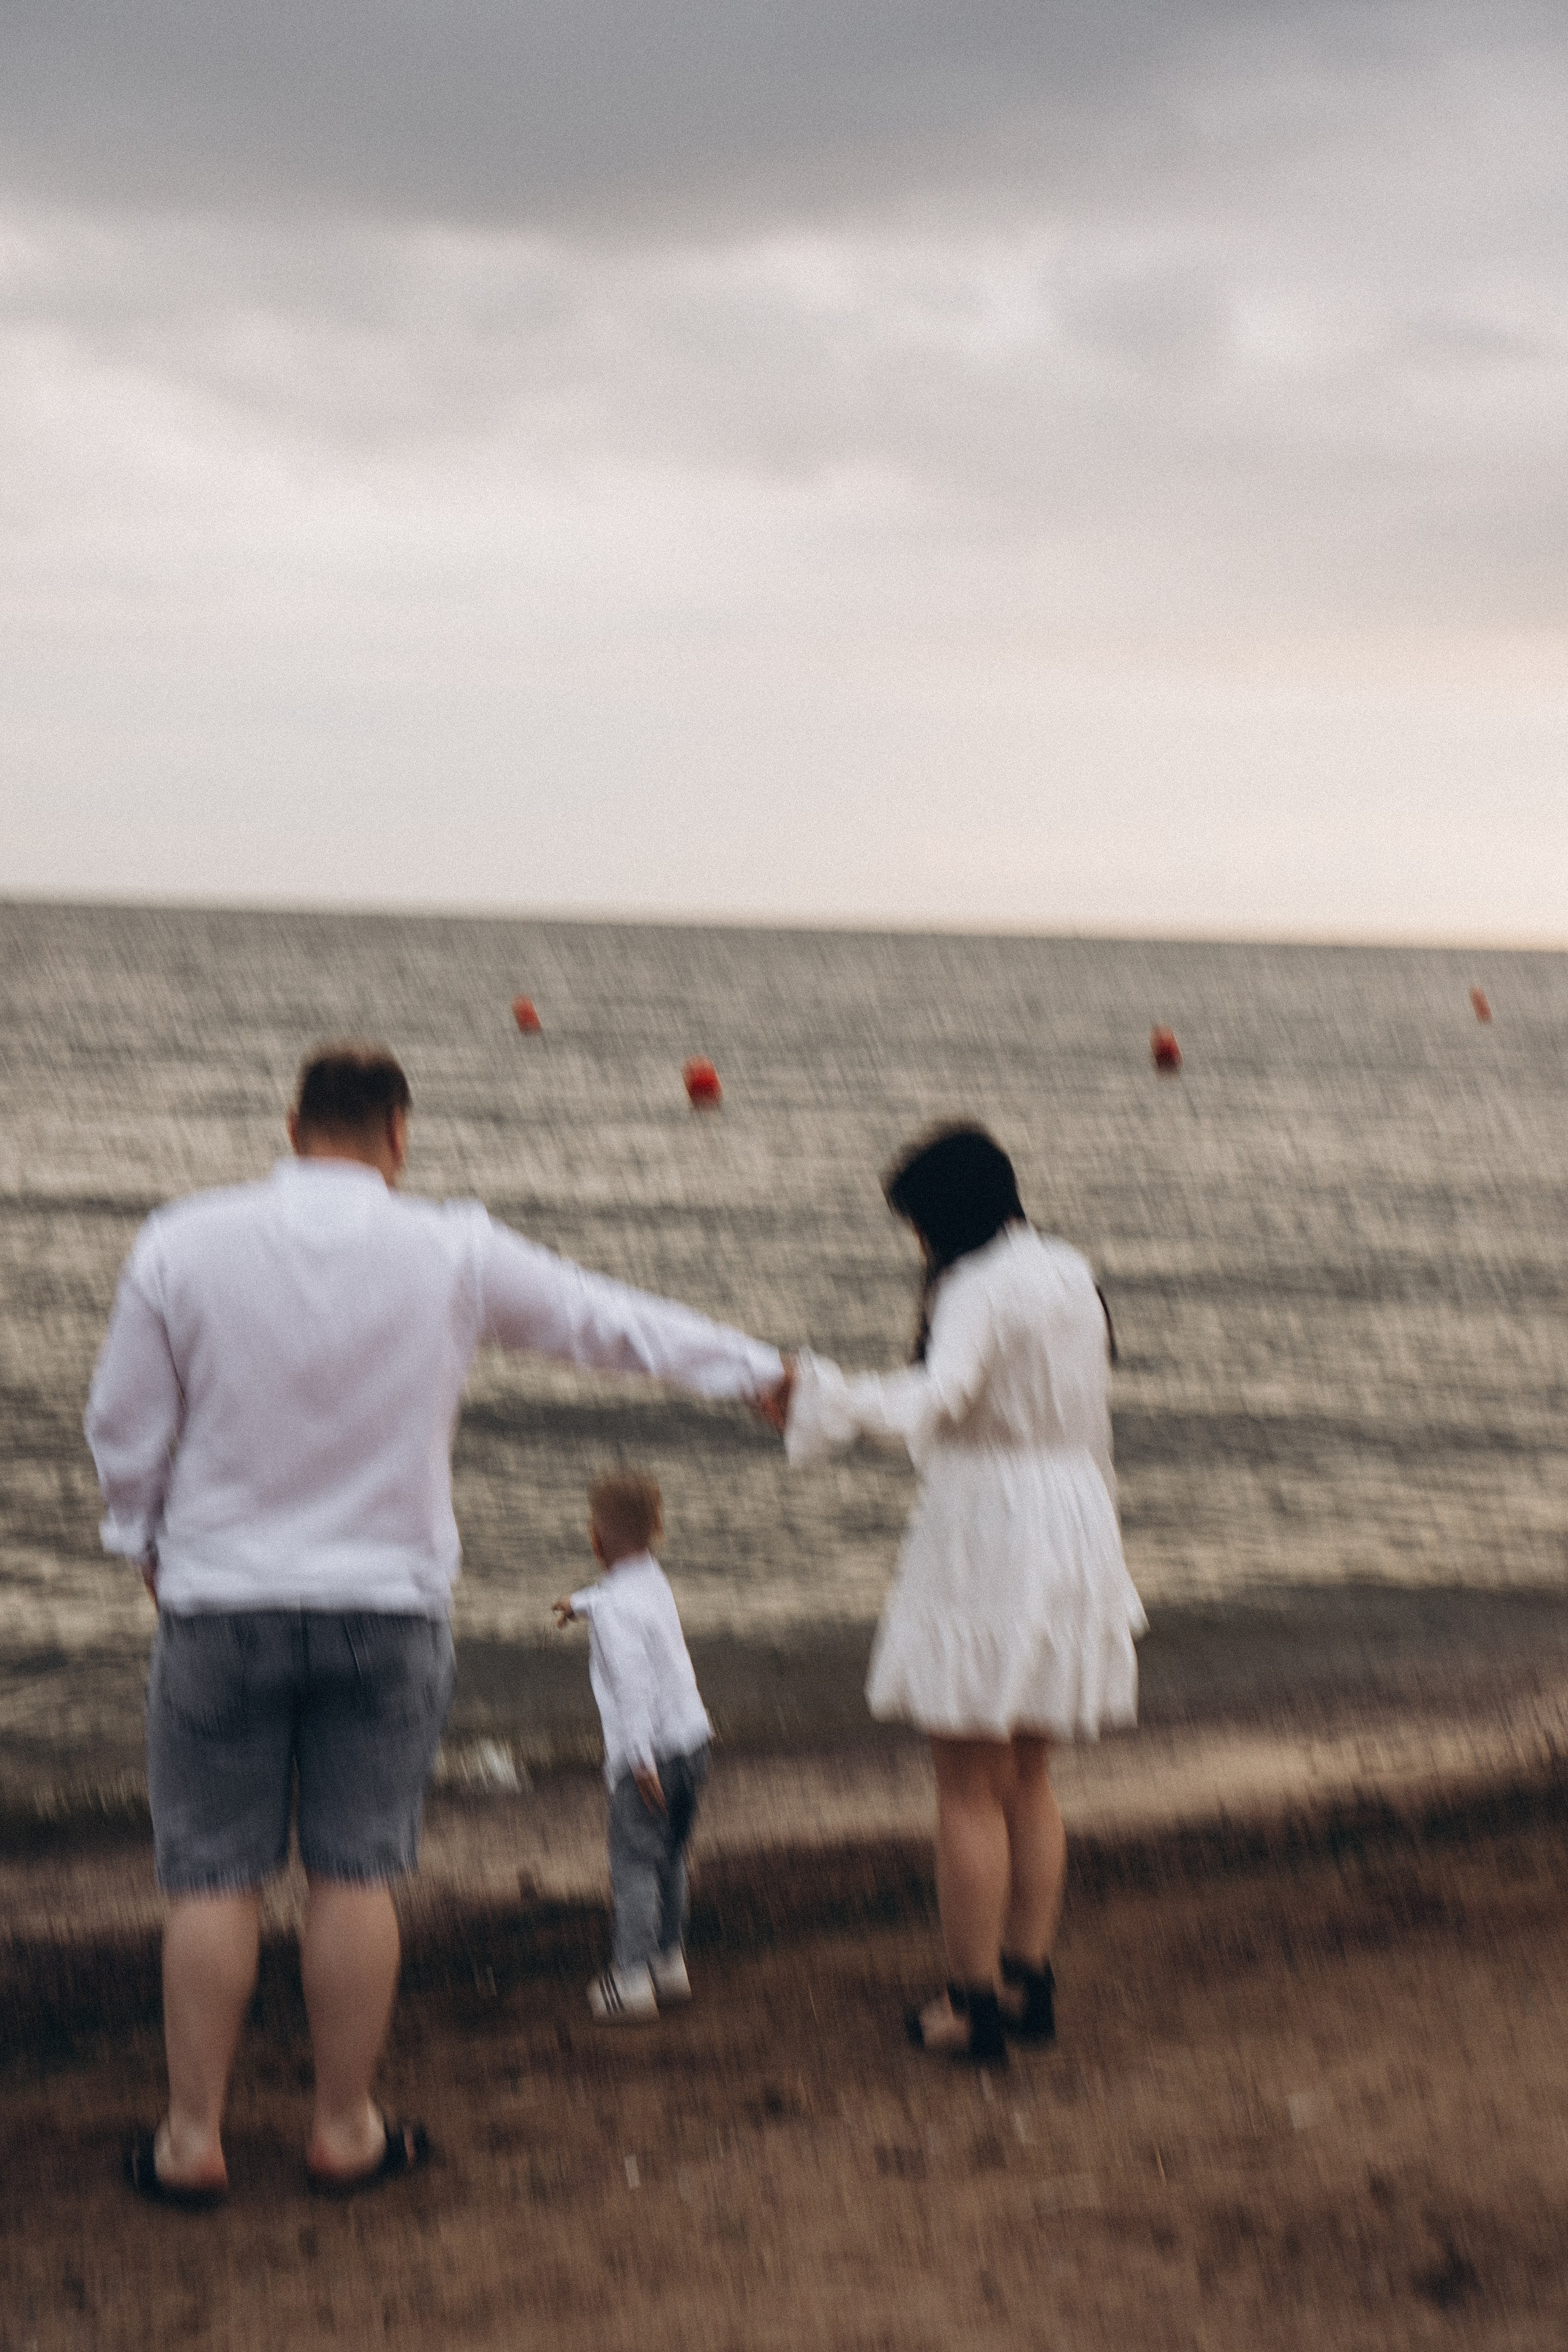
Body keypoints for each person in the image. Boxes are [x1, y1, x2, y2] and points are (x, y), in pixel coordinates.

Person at [85, 1042, 788, 2204]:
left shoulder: (182, 1240)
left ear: (293, 1124)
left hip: (221, 1604)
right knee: (355, 1875)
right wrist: (757, 1370)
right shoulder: (451, 1249)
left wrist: (142, 1543)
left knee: (212, 1879)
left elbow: (124, 1425)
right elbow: (607, 1325)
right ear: (397, 1136)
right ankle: (345, 2129)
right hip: (388, 1609)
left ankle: (192, 2139)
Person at [783, 1123, 1145, 2066]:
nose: (915, 1246)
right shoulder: (1069, 1270)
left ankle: (968, 2001)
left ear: (942, 1218)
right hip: (1075, 1516)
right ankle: (1027, 1982)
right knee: (1029, 1775)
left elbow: (934, 1398)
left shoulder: (975, 1289)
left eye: (915, 1225)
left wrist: (824, 1398)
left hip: (995, 1528)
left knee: (966, 1785)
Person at [552, 1470, 711, 2024]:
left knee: (634, 1865)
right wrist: (582, 1602)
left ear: (596, 1539)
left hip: (654, 1754)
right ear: (656, 1532)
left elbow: (632, 1686)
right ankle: (668, 1963)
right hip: (693, 1743)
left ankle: (632, 1980)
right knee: (669, 1855)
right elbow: (622, 1596)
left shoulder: (618, 1608)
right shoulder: (649, 1580)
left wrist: (638, 1759)